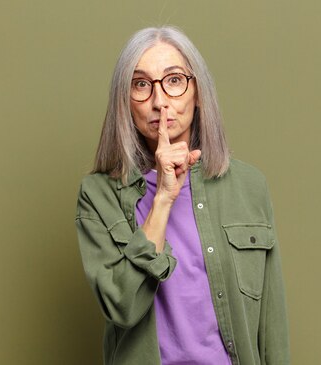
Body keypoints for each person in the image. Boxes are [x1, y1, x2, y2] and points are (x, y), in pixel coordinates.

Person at [75, 26, 289, 365]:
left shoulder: (249, 186)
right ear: (125, 102)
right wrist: (163, 198)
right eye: (141, 84)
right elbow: (122, 307)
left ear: (198, 92)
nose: (160, 102)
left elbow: (271, 324)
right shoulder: (99, 196)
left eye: (174, 81)